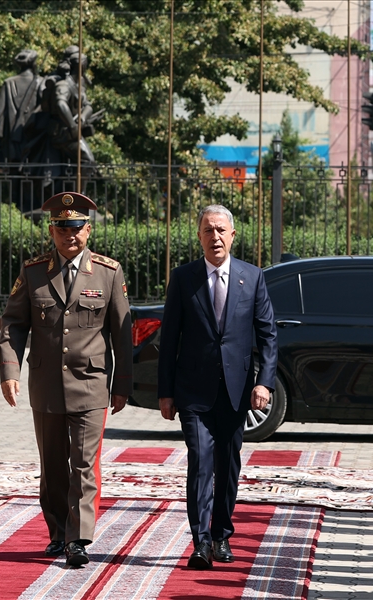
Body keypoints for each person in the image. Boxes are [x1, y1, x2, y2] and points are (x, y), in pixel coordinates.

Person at [0, 191, 132, 567]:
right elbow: (12, 325)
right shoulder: (34, 271)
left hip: (91, 384)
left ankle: (79, 539)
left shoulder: (109, 272)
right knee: (53, 465)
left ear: (88, 230)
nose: (69, 235)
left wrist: (122, 385)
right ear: (52, 231)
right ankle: (58, 533)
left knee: (84, 464)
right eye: (61, 228)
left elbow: (122, 332)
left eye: (75, 227)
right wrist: (10, 371)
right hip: (46, 386)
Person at [157, 204, 278, 570]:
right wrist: (166, 391)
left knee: (227, 466)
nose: (215, 237)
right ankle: (200, 541)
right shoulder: (183, 278)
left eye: (221, 230)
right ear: (199, 236)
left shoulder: (252, 277)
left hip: (237, 390)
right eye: (208, 230)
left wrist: (265, 383)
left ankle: (222, 535)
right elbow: (170, 338)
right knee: (200, 462)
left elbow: (268, 334)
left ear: (233, 235)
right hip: (193, 391)